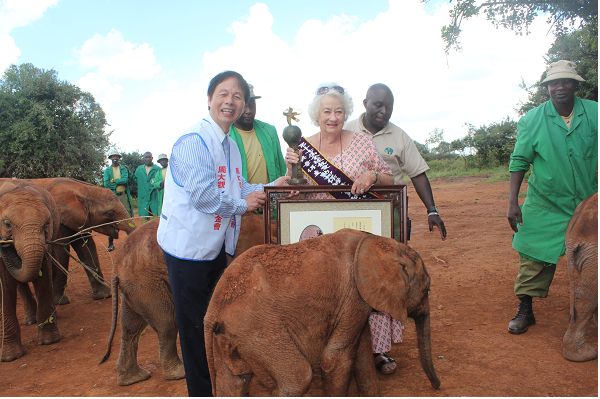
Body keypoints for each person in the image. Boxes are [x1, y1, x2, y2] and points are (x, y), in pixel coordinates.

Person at [156, 71, 291, 396]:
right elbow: (204, 197)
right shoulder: (193, 142)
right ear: (210, 99)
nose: (230, 101)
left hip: (214, 247)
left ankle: (221, 384)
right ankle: (201, 392)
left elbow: (239, 186)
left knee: (215, 320)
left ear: (245, 103)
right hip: (186, 249)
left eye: (238, 96)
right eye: (223, 93)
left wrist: (274, 186)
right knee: (194, 331)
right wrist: (244, 205)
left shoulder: (230, 145)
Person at [285, 83, 399, 375]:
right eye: (326, 111)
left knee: (366, 287)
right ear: (317, 115)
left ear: (346, 113)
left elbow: (389, 178)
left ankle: (378, 350)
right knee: (324, 291)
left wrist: (372, 174)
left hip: (359, 234)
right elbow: (292, 189)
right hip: (321, 238)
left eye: (338, 111)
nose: (333, 117)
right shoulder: (303, 147)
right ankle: (323, 351)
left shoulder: (361, 141)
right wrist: (291, 176)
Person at [344, 83, 447, 374]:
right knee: (351, 282)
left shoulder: (399, 136)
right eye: (377, 105)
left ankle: (378, 350)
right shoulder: (347, 131)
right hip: (350, 222)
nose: (383, 111)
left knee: (383, 281)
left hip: (389, 221)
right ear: (365, 103)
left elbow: (417, 174)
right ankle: (350, 345)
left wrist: (432, 209)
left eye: (388, 106)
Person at [506, 60, 598, 335]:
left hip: (588, 205)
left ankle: (593, 309)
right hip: (545, 202)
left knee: (595, 259)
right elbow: (520, 160)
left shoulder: (595, 112)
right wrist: (513, 202)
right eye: (554, 82)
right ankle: (525, 309)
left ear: (575, 84)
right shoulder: (532, 120)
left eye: (566, 81)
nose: (560, 87)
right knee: (532, 254)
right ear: (546, 87)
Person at [229, 84, 286, 185]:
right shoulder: (226, 135)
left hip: (271, 196)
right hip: (242, 199)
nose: (249, 111)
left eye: (252, 105)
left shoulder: (269, 130)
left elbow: (281, 167)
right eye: (244, 106)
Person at [103, 150, 133, 252]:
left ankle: (132, 241)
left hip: (123, 196)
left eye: (117, 157)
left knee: (127, 217)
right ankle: (111, 244)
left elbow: (125, 180)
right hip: (113, 197)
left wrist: (114, 180)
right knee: (111, 218)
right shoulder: (107, 171)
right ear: (110, 158)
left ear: (119, 158)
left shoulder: (123, 169)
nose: (115, 158)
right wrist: (118, 182)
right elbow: (107, 184)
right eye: (113, 157)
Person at [133, 152, 162, 217]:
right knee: (144, 220)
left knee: (155, 219)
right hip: (143, 200)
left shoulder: (158, 169)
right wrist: (128, 172)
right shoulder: (139, 169)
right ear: (144, 159)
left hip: (155, 199)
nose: (148, 159)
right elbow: (135, 181)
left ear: (152, 158)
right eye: (146, 157)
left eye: (149, 157)